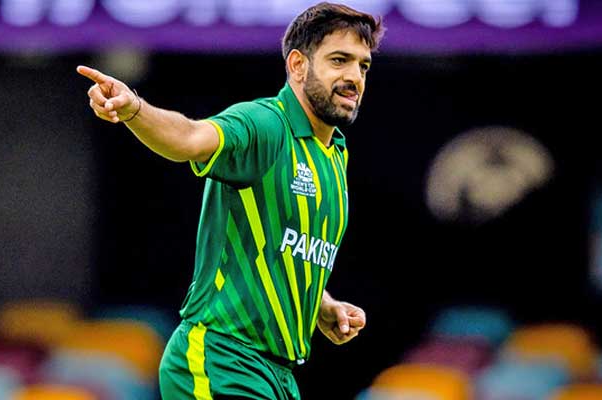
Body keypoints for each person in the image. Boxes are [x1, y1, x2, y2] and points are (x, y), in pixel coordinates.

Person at [77, 2, 384, 399]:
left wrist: (321, 305)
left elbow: (279, 248)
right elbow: (189, 138)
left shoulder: (333, 155)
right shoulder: (265, 124)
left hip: (276, 376)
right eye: (339, 60)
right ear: (298, 66)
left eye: (363, 66)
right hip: (221, 360)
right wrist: (134, 108)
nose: (354, 77)